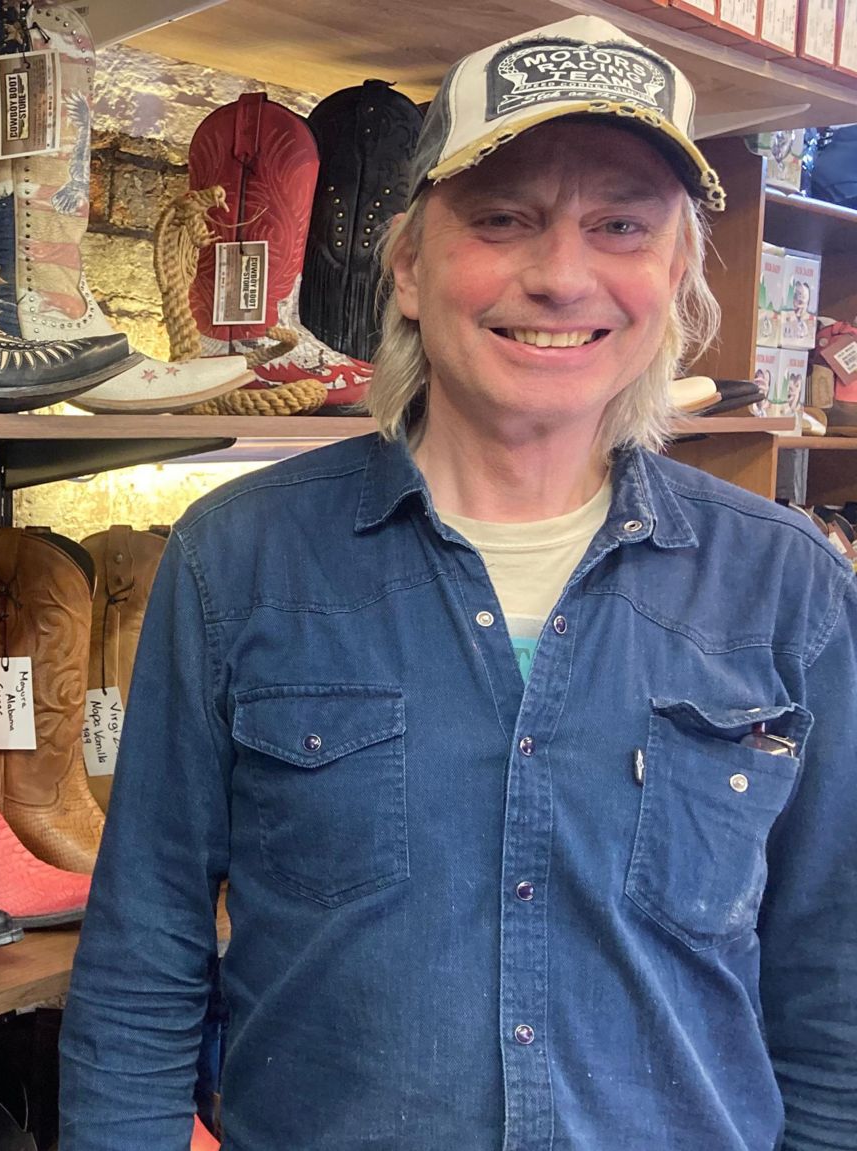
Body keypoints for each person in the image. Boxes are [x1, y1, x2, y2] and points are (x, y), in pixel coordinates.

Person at [59, 16, 857, 1151]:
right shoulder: (235, 562)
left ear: (674, 275)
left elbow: (832, 996)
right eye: (501, 219)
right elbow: (142, 965)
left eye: (619, 224)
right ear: (406, 262)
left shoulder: (786, 588)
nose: (558, 273)